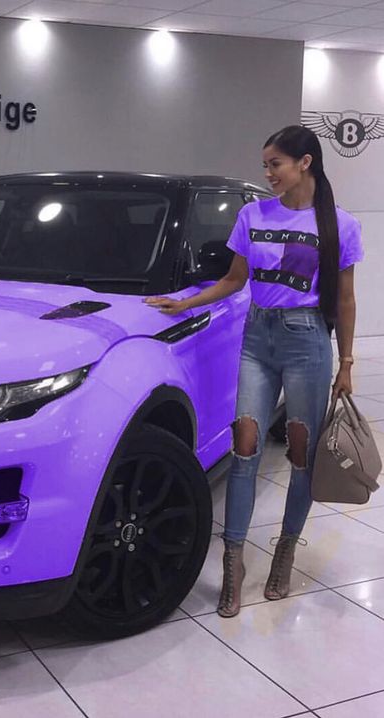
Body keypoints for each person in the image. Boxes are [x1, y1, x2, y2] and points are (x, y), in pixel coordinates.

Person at [145, 125, 364, 618]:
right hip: (257, 338)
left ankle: (286, 550)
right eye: (265, 165)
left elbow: (346, 299)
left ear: (304, 162)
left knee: (301, 456)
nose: (267, 174)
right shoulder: (251, 215)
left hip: (309, 340)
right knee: (244, 449)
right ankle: (234, 561)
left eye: (275, 164)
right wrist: (182, 302)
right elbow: (232, 279)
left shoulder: (340, 225)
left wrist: (346, 362)